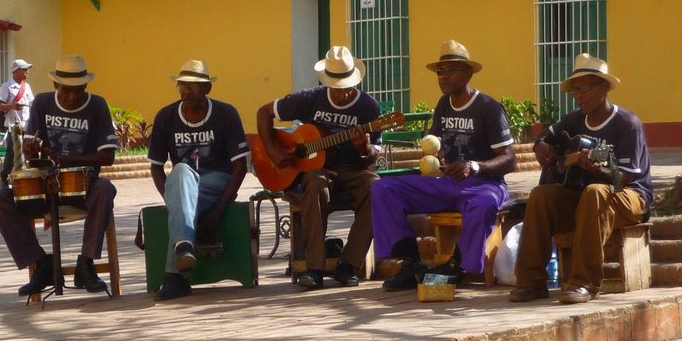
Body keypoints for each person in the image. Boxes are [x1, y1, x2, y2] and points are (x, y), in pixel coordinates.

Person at [372, 39, 516, 291]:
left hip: (483, 184)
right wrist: (436, 160)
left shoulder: (489, 108)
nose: (444, 76)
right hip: (447, 183)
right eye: (440, 71)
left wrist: (474, 166)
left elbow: (510, 158)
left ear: (468, 73)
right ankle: (409, 263)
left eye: (451, 70)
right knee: (383, 188)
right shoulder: (443, 105)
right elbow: (437, 144)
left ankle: (456, 267)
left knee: (484, 204)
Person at [509, 53, 652, 305]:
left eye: (583, 88)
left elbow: (626, 176)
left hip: (631, 196)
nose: (578, 95)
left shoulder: (627, 124)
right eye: (574, 90)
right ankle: (530, 282)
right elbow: (545, 136)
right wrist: (540, 146)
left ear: (603, 87)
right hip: (585, 198)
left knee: (595, 191)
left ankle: (583, 283)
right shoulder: (575, 120)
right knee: (540, 195)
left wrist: (595, 168)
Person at [0, 55, 118, 297]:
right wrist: (29, 149)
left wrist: (71, 161)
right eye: (66, 90)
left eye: (77, 91)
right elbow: (28, 145)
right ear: (56, 85)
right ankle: (41, 264)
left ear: (85, 87)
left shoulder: (97, 105)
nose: (71, 96)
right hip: (43, 188)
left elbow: (107, 157)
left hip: (83, 188)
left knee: (106, 189)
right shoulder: (42, 103)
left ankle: (86, 265)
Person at [256, 45, 381, 289]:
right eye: (337, 88)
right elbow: (263, 112)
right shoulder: (309, 98)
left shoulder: (368, 107)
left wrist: (364, 149)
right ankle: (314, 268)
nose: (343, 93)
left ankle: (349, 264)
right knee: (314, 185)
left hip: (353, 169)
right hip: (318, 169)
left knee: (377, 189)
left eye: (347, 87)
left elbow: (372, 155)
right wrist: (273, 150)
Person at [146, 59, 250, 301]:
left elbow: (240, 167)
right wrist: (173, 200)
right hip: (182, 182)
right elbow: (156, 167)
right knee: (181, 170)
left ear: (207, 89)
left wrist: (217, 211)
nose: (186, 91)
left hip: (216, 180)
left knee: (182, 177)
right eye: (182, 85)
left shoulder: (226, 113)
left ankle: (175, 278)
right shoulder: (166, 116)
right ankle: (183, 250)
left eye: (193, 86)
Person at [0, 58, 34, 189]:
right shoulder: (7, 86)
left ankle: (31, 177)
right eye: (24, 69)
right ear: (16, 71)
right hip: (14, 126)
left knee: (31, 151)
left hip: (27, 125)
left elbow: (32, 104)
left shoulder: (27, 87)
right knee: (12, 153)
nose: (27, 71)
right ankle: (5, 179)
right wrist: (12, 106)